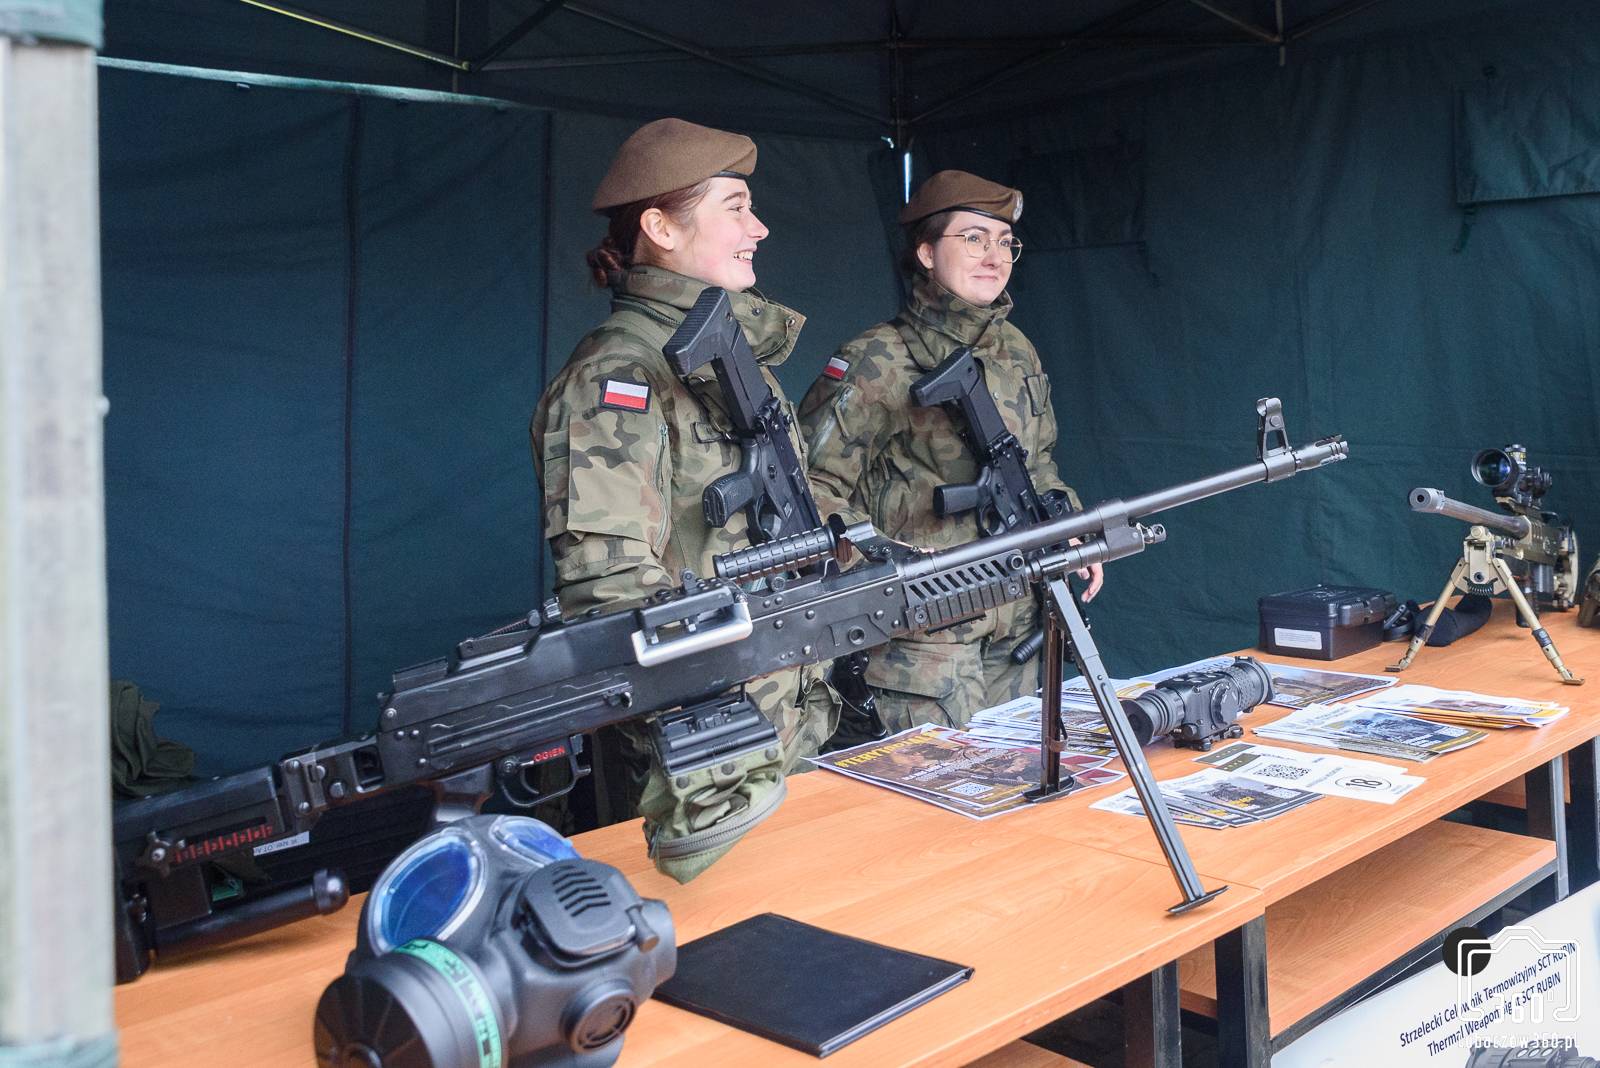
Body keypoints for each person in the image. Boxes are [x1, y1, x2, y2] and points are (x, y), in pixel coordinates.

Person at [530, 118, 837, 882]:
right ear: (660, 228)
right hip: (707, 768)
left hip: (791, 723)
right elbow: (611, 593)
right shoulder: (617, 377)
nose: (758, 228)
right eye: (735, 207)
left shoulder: (735, 366)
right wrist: (716, 744)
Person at [800, 169, 1104, 732]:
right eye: (973, 238)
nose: (995, 256)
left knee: (1016, 773)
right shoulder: (876, 358)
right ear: (925, 252)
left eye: (1005, 242)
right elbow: (810, 489)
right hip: (925, 639)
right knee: (937, 783)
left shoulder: (1016, 350)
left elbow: (1037, 463)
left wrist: (1071, 526)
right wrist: (887, 562)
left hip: (1017, 620)